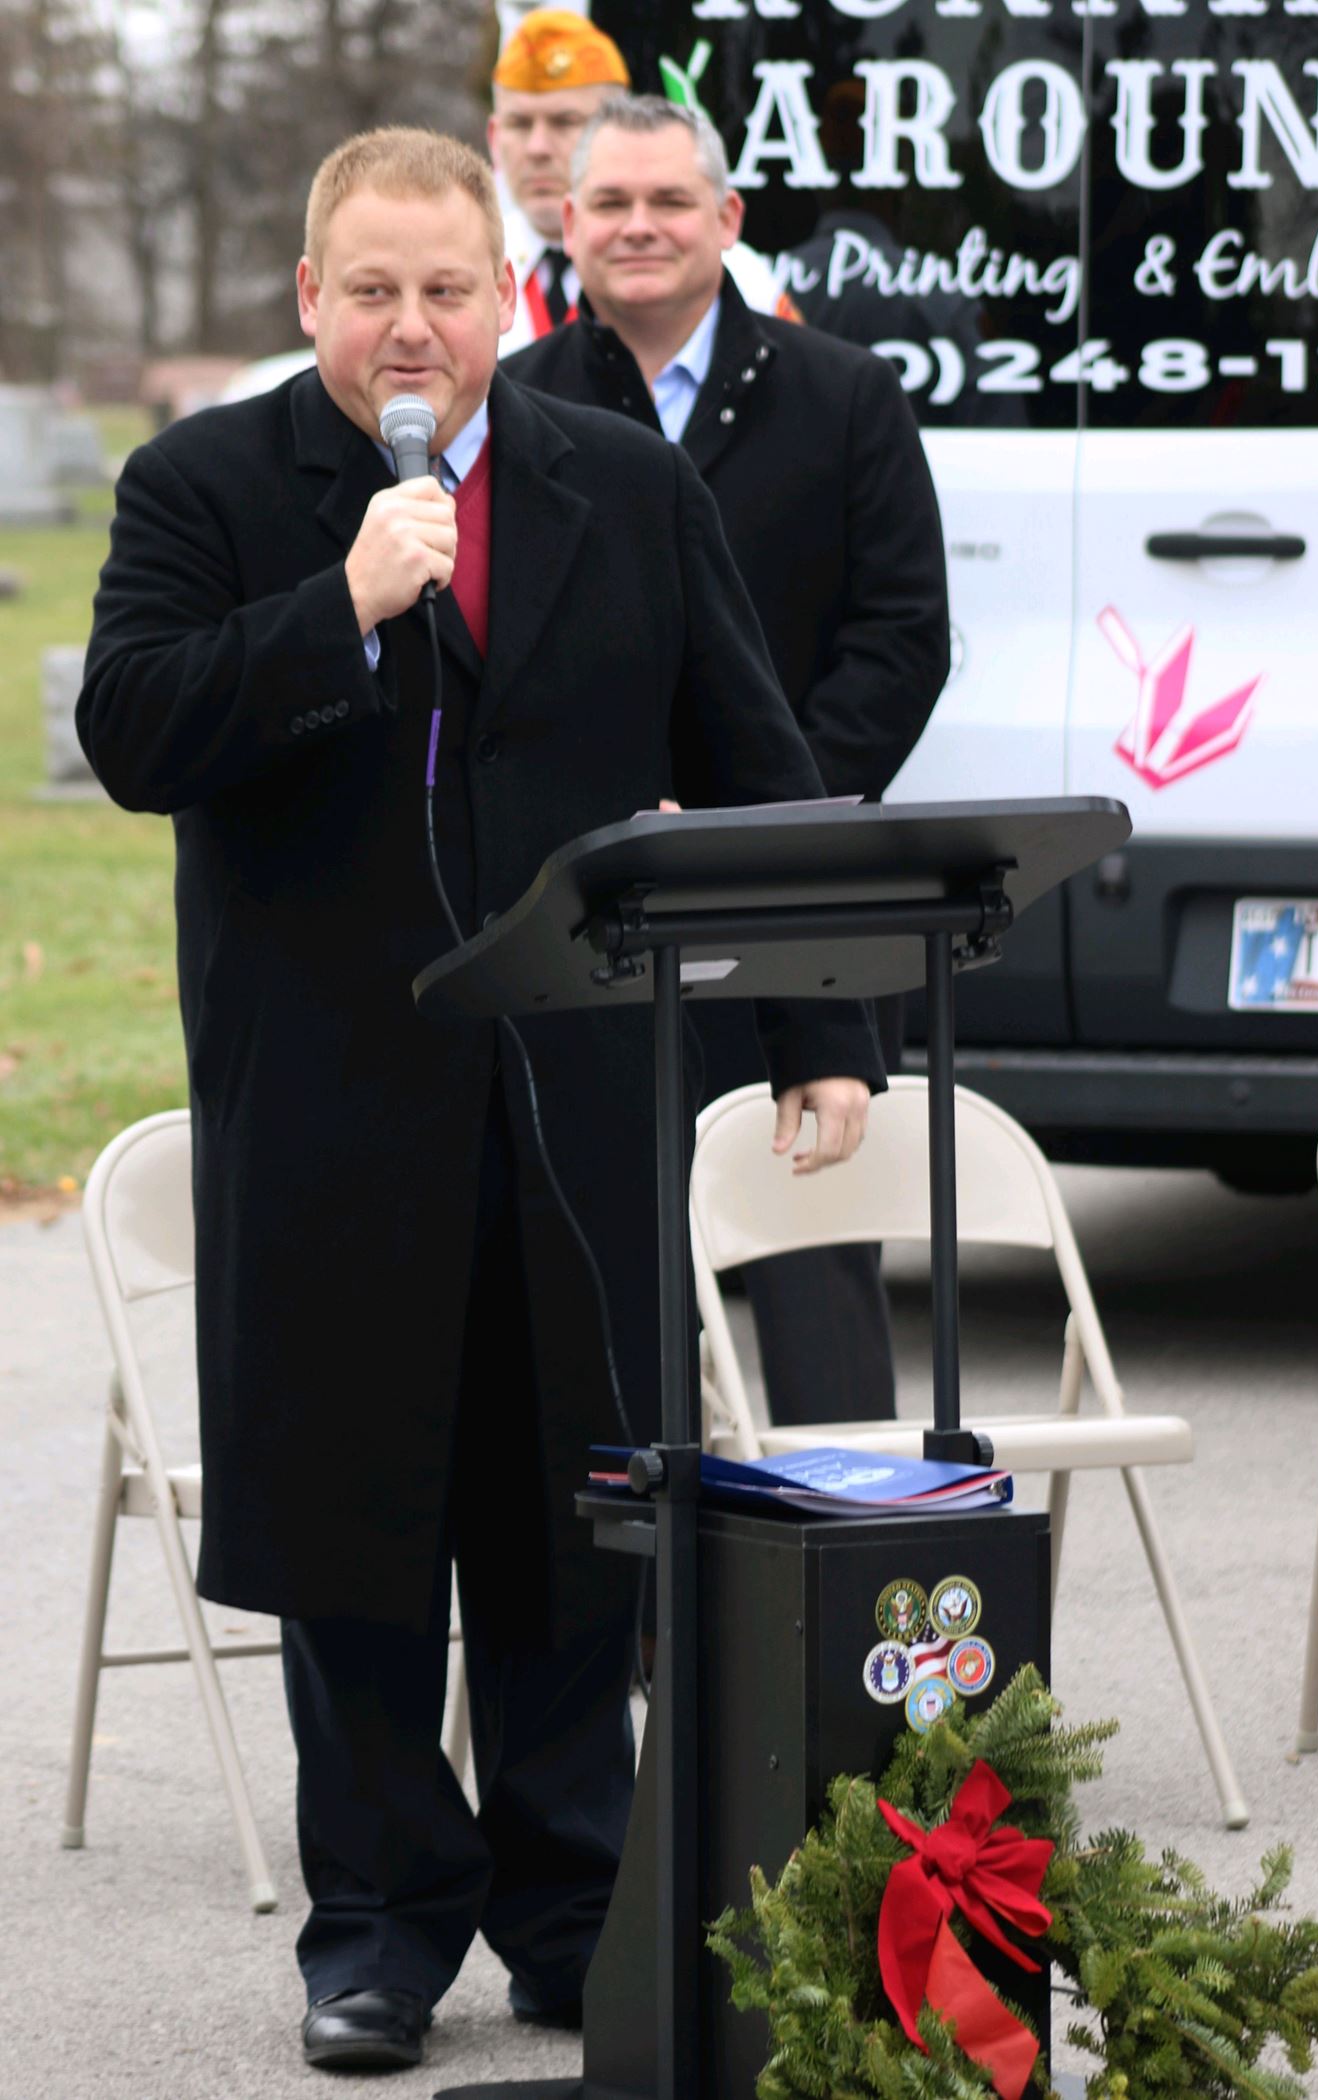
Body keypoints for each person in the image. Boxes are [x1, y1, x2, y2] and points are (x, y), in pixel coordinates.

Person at [77, 127, 882, 2075]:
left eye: (446, 289)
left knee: (572, 1517)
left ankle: (569, 1903)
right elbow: (131, 730)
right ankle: (371, 1933)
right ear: (308, 301)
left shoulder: (623, 480)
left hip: (579, 1099)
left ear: (506, 301)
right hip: (330, 1105)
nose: (411, 325)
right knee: (358, 1527)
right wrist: (336, 603)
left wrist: (817, 1030)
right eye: (372, 291)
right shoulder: (207, 485)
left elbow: (751, 757)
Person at [506, 95, 950, 1427]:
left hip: (797, 907)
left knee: (813, 1275)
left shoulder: (846, 395)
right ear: (568, 225)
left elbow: (902, 636)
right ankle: (631, 1625)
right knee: (600, 1287)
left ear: (727, 220)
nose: (640, 227)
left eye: (669, 202)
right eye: (612, 205)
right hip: (597, 909)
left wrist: (754, 807)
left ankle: (831, 1606)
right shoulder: (516, 412)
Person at [490, 7, 795, 361]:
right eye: (519, 124)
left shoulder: (735, 276)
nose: (537, 148)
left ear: (618, 127)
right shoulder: (470, 270)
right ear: (494, 137)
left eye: (565, 122)